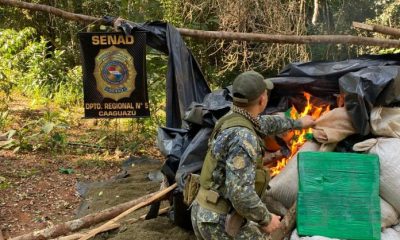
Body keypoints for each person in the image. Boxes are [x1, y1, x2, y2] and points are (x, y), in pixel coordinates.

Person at [190, 71, 315, 239]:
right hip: (218, 221)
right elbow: (241, 193)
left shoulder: (232, 118)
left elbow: (265, 123)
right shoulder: (244, 137)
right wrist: (266, 219)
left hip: (204, 209)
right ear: (262, 100)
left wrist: (297, 123)